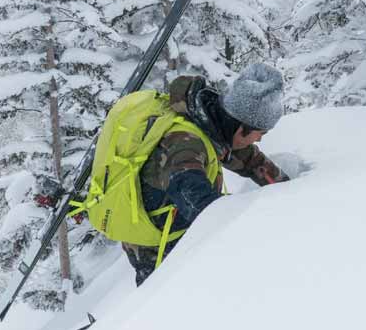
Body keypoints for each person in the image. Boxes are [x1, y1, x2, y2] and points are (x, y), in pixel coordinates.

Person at [123, 63, 289, 285]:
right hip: (156, 245)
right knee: (163, 304)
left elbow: (250, 161)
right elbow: (202, 207)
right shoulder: (185, 146)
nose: (259, 139)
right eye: (261, 133)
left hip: (176, 231)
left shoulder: (215, 126)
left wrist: (287, 185)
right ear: (242, 128)